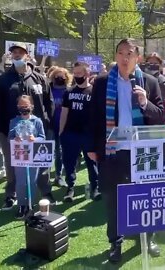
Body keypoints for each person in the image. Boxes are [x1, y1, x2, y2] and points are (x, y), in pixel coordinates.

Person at [88, 38, 165, 263]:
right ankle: (115, 241)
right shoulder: (102, 83)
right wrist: (93, 147)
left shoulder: (150, 82)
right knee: (113, 198)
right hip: (113, 152)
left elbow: (160, 117)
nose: (124, 58)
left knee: (145, 198)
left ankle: (147, 237)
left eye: (129, 53)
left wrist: (144, 103)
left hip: (143, 152)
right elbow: (93, 117)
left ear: (137, 58)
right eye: (120, 53)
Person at [0, 42, 55, 211]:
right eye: (14, 53)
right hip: (13, 133)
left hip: (39, 130)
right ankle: (11, 194)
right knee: (13, 165)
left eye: (20, 52)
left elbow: (49, 103)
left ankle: (45, 192)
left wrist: (49, 124)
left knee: (42, 163)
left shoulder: (39, 78)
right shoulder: (4, 79)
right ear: (11, 56)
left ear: (27, 55)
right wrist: (1, 130)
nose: (17, 55)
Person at [59, 62, 100, 202]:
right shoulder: (69, 92)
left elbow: (98, 115)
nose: (76, 76)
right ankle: (70, 188)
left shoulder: (95, 92)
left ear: (87, 74)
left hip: (88, 134)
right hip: (71, 133)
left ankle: (95, 187)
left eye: (79, 73)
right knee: (69, 162)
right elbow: (64, 113)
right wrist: (61, 131)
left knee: (91, 163)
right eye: (74, 73)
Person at [9, 95, 45, 219]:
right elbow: (10, 137)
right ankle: (21, 205)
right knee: (20, 182)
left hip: (33, 156)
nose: (24, 108)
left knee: (32, 181)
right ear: (18, 107)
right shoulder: (14, 121)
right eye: (21, 106)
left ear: (32, 106)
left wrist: (35, 139)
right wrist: (15, 139)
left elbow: (42, 137)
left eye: (26, 106)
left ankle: (31, 204)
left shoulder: (37, 121)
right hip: (20, 155)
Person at [49, 67, 72, 187]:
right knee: (47, 151)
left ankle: (58, 176)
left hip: (64, 125)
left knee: (60, 152)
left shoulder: (69, 91)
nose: (59, 78)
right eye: (57, 76)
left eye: (62, 76)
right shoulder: (49, 89)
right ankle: (45, 177)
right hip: (51, 125)